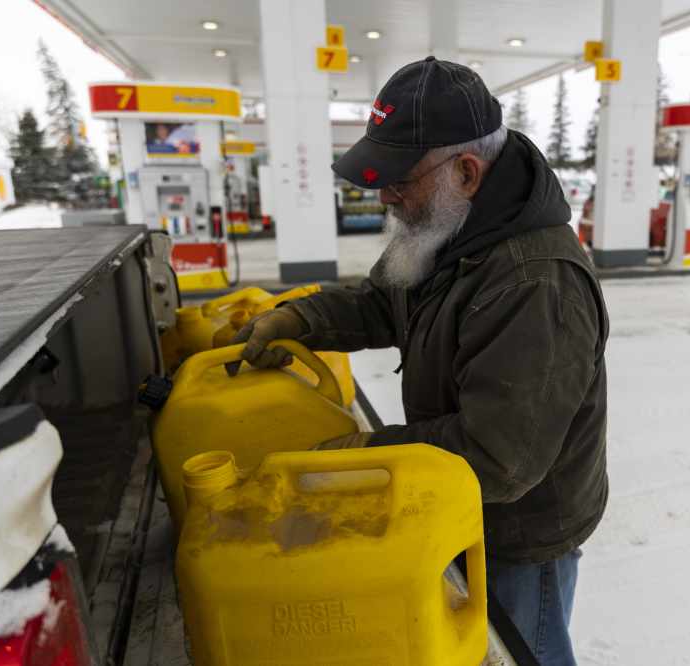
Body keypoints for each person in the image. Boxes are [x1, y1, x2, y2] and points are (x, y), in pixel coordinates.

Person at [230, 56, 609, 665]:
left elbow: (501, 460)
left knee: (521, 651)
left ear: (465, 171)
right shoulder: (448, 227)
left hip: (517, 533)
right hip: (460, 507)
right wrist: (301, 319)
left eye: (401, 178)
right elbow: (381, 303)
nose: (387, 195)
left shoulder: (534, 283)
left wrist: (361, 459)